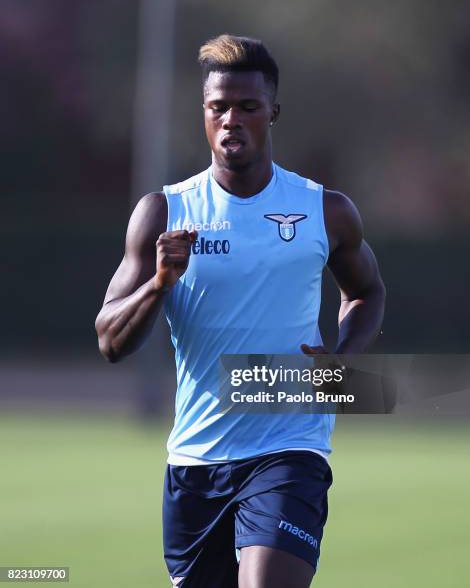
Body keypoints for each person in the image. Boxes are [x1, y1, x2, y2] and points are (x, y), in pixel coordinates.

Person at [95, 34, 385, 588]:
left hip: (289, 448)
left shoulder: (324, 210)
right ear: (204, 115)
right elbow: (110, 341)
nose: (232, 119)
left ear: (272, 112)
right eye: (218, 107)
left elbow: (367, 293)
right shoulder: (165, 212)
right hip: (196, 460)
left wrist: (343, 363)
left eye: (247, 107)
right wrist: (158, 283)